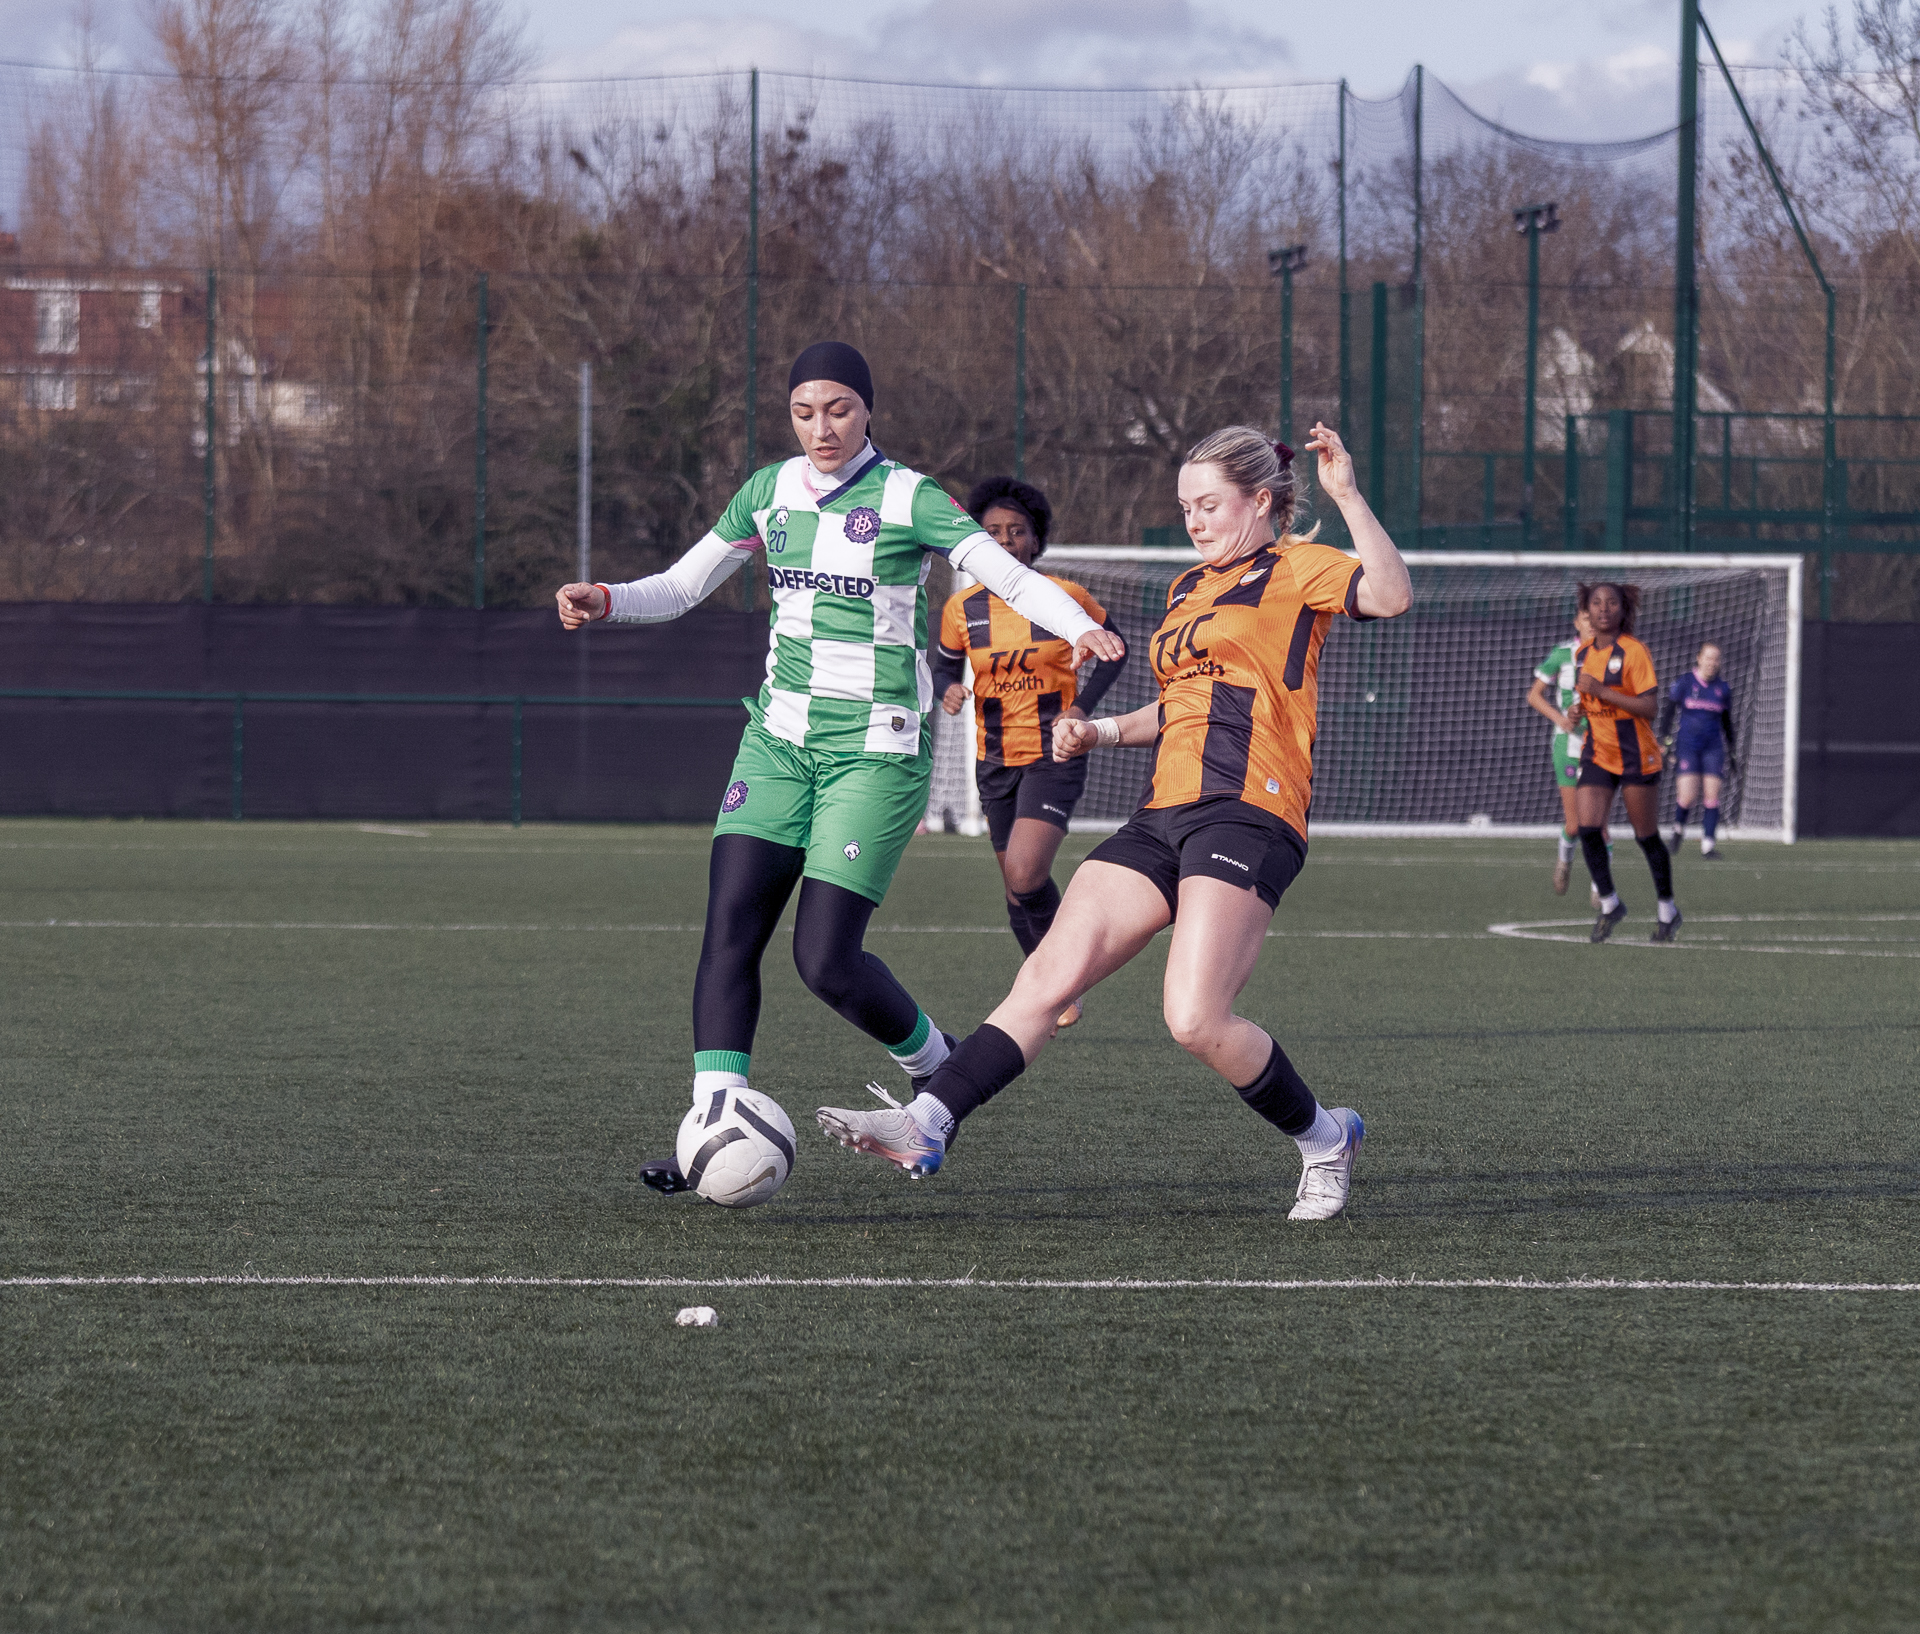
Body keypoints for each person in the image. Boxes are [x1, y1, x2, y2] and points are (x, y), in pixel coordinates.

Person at [554, 341, 1125, 1192]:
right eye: (803, 412)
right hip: (778, 742)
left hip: (874, 751)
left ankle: (936, 1068)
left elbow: (1005, 576)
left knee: (823, 960)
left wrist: (1076, 627)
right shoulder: (768, 491)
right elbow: (680, 587)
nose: (821, 428)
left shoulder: (908, 497)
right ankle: (713, 1125)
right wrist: (606, 599)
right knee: (729, 932)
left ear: (867, 411)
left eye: (838, 410)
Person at [816, 422, 1413, 1222]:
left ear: (1259, 501)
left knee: (1194, 1019)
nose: (1193, 520)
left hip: (1249, 811)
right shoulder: (1187, 588)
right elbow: (1179, 704)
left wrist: (1346, 496)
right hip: (1162, 812)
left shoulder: (1298, 567)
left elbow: (1391, 595)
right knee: (1045, 979)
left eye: (1208, 505)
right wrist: (1099, 729)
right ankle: (927, 1121)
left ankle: (1325, 1138)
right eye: (1185, 506)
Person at [930, 476, 1129, 1026]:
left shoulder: (1063, 598)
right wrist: (947, 688)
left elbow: (1114, 650)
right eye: (992, 531)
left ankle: (1061, 978)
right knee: (1017, 891)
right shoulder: (961, 609)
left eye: (1016, 531)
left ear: (1035, 539)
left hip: (1053, 754)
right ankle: (1053, 987)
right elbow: (943, 665)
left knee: (1024, 872)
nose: (1005, 540)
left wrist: (1081, 707)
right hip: (993, 759)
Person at [1566, 581, 1682, 944]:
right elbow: (1588, 703)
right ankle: (1610, 904)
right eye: (1596, 603)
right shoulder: (1582, 654)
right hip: (1598, 751)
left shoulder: (1634, 651)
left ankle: (1667, 910)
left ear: (1623, 609)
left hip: (1635, 754)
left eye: (1611, 603)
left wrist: (1602, 692)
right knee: (1587, 827)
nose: (1603, 609)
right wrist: (1577, 711)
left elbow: (1649, 708)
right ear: (1586, 610)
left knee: (1645, 837)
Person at [1527, 607, 1605, 900]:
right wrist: (1560, 719)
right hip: (1569, 744)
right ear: (1576, 623)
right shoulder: (1562, 654)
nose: (1592, 624)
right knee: (1574, 825)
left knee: (1598, 824)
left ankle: (1601, 886)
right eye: (1586, 619)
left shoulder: (1612, 656)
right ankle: (1565, 862)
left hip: (1600, 747)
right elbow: (1534, 695)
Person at [1660, 641, 1736, 858]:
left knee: (1712, 796)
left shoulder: (1722, 689)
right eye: (1708, 658)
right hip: (1688, 748)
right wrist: (1665, 742)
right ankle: (1678, 830)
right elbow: (1668, 713)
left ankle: (1708, 845)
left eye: (1716, 659)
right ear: (1699, 658)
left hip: (1713, 748)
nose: (1712, 663)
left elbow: (1727, 723)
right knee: (1687, 797)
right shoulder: (1685, 683)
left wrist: (1732, 751)